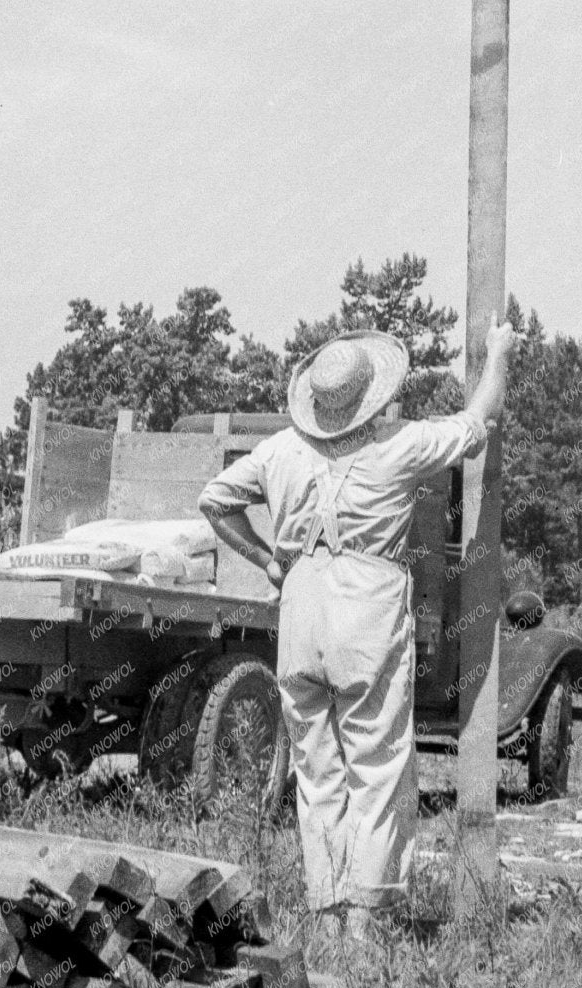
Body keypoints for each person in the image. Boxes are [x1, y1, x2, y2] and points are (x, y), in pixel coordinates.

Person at [198, 318, 516, 948]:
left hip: (300, 613)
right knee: (378, 762)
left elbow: (214, 500)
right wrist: (499, 354)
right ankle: (367, 922)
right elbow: (478, 423)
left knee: (317, 771)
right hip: (365, 608)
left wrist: (267, 560)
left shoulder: (280, 451)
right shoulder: (398, 444)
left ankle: (326, 911)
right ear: (373, 394)